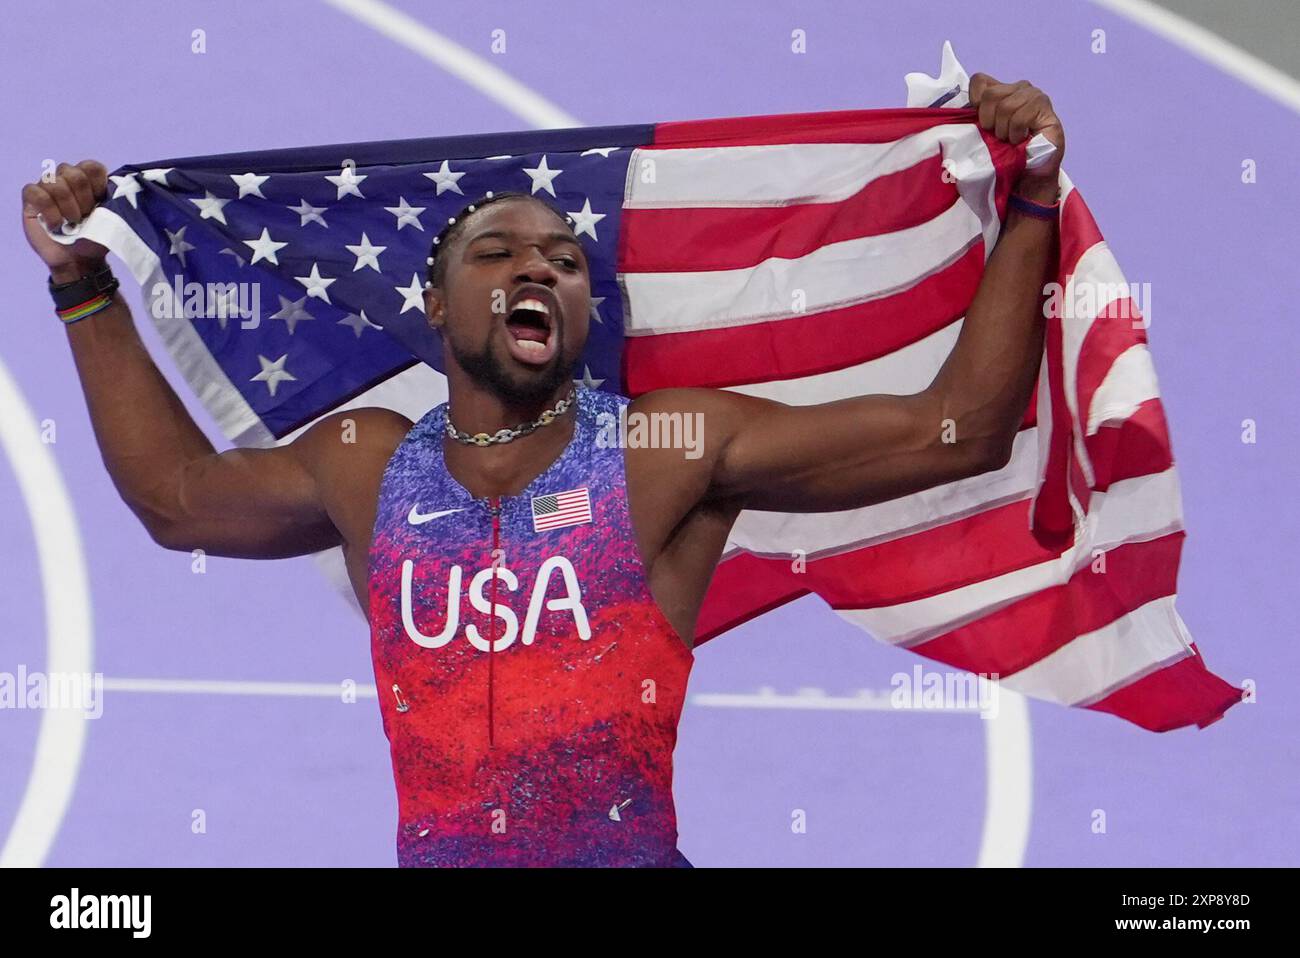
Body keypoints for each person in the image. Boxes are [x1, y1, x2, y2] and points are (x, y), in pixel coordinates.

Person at [21, 73, 1063, 867]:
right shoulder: (366, 465)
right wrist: (83, 284)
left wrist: (1028, 206)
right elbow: (176, 500)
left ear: (580, 312)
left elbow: (956, 429)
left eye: (564, 261)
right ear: (435, 309)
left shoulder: (665, 452)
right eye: (497, 253)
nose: (537, 265)